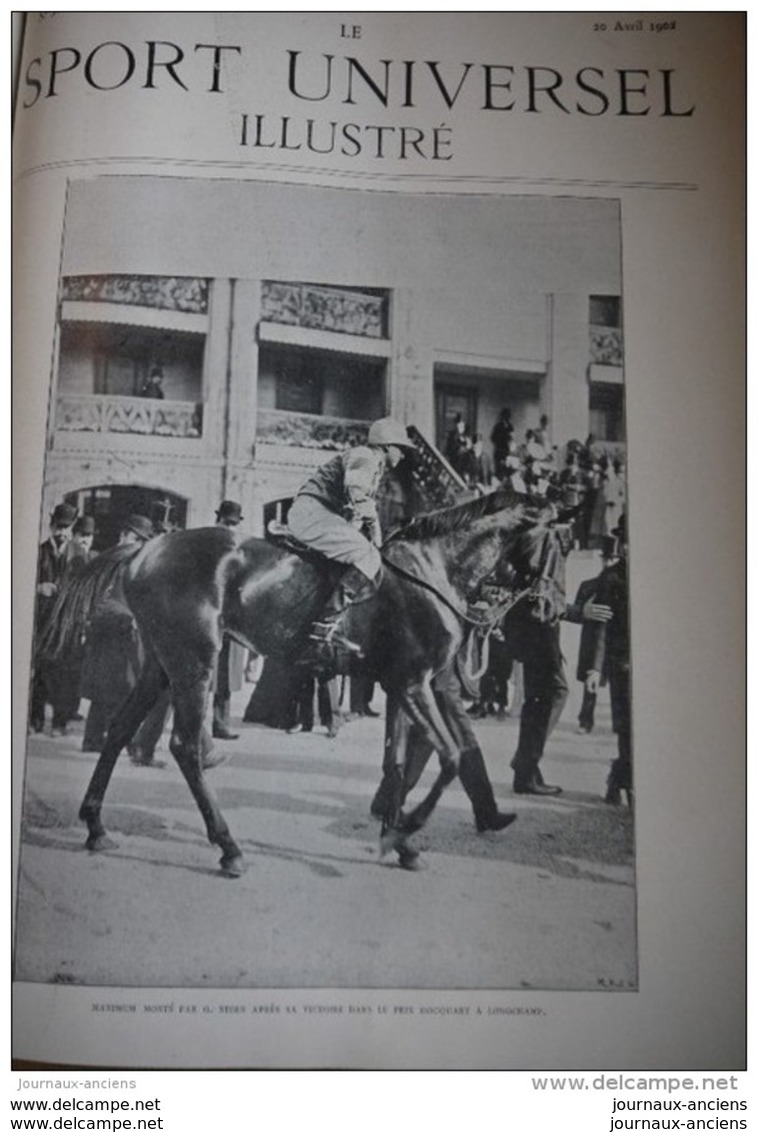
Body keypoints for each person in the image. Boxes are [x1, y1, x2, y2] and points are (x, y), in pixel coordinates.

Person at [287, 417, 415, 665]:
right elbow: (356, 492)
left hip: (319, 511)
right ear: (387, 446)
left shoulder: (373, 463)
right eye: (401, 448)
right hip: (312, 511)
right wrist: (374, 529)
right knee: (369, 556)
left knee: (362, 553)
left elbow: (354, 507)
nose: (403, 454)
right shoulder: (365, 456)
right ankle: (325, 626)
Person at [81, 514, 154, 753]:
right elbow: (97, 600)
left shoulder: (135, 563)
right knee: (118, 688)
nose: (139, 545)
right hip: (108, 632)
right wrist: (125, 616)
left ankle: (92, 740)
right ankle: (127, 742)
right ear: (123, 535)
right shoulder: (108, 561)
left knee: (112, 687)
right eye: (135, 538)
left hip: (127, 634)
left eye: (143, 541)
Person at [584, 514, 631, 805]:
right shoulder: (612, 579)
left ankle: (623, 775)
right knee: (626, 727)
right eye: (624, 541)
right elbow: (600, 626)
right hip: (622, 666)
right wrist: (594, 668)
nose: (627, 547)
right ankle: (622, 777)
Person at [29, 502, 77, 735]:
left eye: (66, 528)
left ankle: (60, 722)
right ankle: (35, 720)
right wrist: (38, 588)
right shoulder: (38, 552)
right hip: (42, 622)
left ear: (72, 528)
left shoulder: (80, 555)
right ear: (51, 526)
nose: (61, 532)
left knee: (64, 674)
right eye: (58, 527)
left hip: (67, 624)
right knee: (40, 672)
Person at [571, 535, 618, 735]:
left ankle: (619, 725)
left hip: (614, 640)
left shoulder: (620, 585)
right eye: (606, 558)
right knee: (590, 684)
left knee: (617, 683)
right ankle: (585, 720)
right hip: (592, 640)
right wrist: (585, 610)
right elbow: (576, 612)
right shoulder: (588, 585)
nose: (609, 563)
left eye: (613, 559)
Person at [212, 500, 246, 739]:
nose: (229, 529)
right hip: (207, 617)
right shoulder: (206, 544)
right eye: (226, 523)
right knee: (202, 673)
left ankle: (220, 723)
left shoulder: (240, 551)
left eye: (233, 525)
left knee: (225, 674)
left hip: (232, 620)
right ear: (218, 521)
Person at [490, 408, 514, 479]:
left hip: (506, 452)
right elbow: (492, 438)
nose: (506, 418)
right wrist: (499, 442)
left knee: (507, 470)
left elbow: (512, 439)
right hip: (499, 451)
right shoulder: (498, 426)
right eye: (505, 416)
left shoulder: (510, 427)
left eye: (507, 417)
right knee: (499, 471)